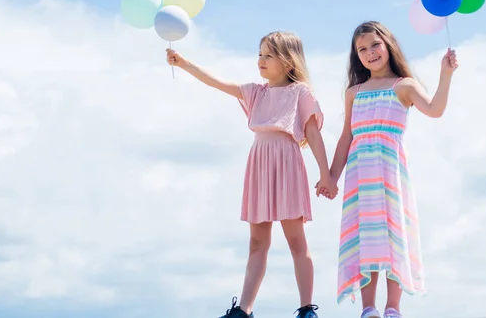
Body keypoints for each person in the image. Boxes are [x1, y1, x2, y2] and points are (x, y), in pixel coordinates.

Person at [166, 31, 337, 318]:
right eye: (260, 53)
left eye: (269, 55)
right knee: (257, 242)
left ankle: (307, 309)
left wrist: (325, 174)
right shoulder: (257, 92)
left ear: (289, 62)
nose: (261, 60)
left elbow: (313, 134)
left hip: (286, 164)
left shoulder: (300, 93)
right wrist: (184, 63)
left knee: (296, 240)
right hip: (259, 165)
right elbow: (218, 83)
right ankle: (244, 311)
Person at [321, 21, 458, 318]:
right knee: (365, 235)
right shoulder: (354, 92)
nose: (370, 53)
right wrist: (331, 177)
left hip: (390, 171)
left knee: (394, 233)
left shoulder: (404, 86)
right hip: (360, 174)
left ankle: (392, 308)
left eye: (375, 45)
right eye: (362, 49)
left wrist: (445, 75)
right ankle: (368, 308)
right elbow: (347, 137)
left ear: (388, 45)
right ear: (356, 56)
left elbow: (434, 109)